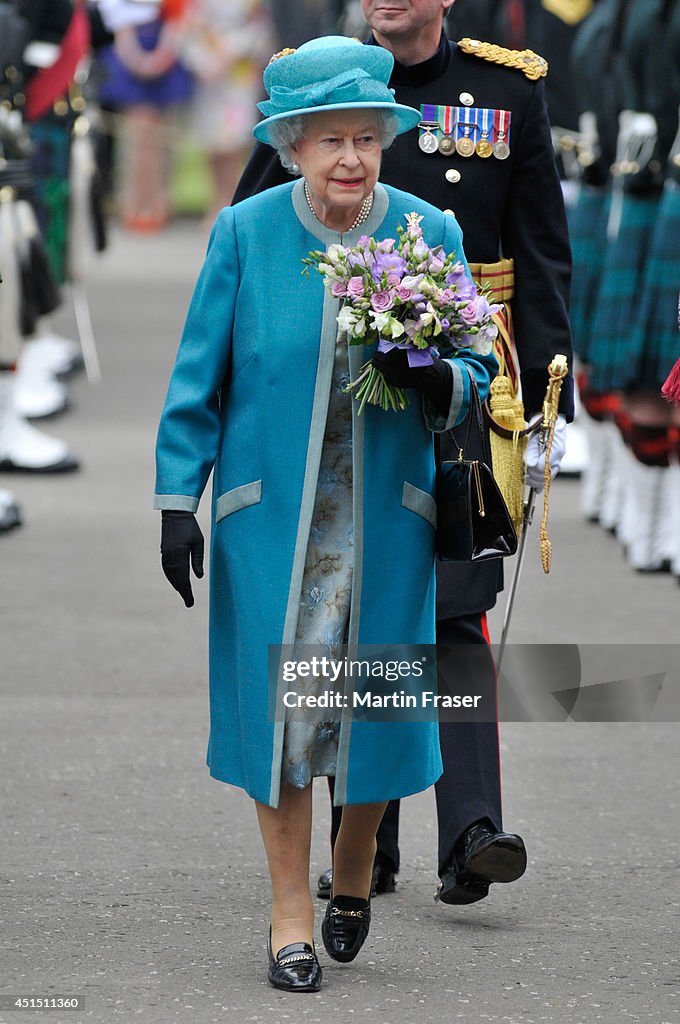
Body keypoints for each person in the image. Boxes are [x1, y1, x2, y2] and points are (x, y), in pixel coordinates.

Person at [154, 35, 497, 991]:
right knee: (287, 722)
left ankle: (351, 876)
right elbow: (199, 379)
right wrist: (180, 499)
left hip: (386, 521)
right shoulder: (248, 234)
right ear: (293, 144)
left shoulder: (428, 233)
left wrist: (437, 375)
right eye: (330, 140)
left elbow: (480, 369)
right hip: (274, 528)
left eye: (368, 139)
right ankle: (290, 915)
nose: (351, 159)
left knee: (372, 716)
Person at [233, 0, 574, 907]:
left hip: (462, 383)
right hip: (343, 398)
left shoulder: (508, 88)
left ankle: (469, 828)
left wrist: (548, 395)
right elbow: (257, 229)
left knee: (453, 603)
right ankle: (366, 835)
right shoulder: (319, 86)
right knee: (347, 603)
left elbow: (541, 251)